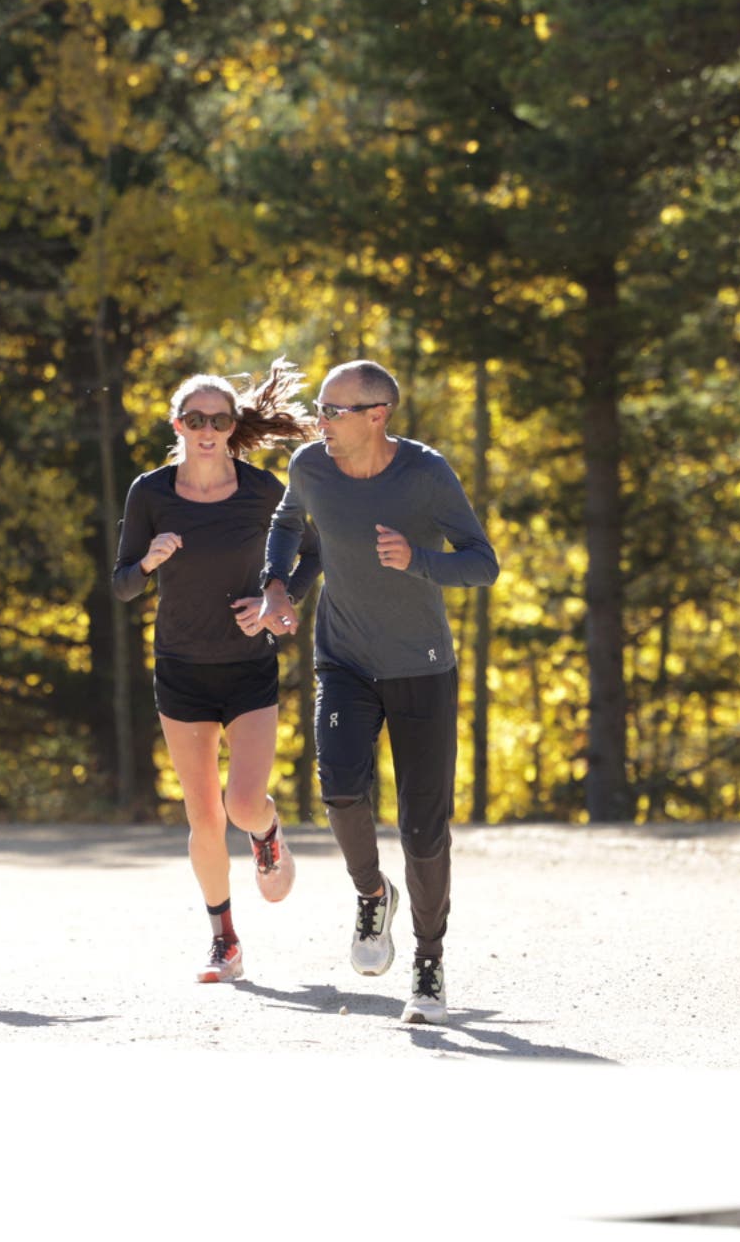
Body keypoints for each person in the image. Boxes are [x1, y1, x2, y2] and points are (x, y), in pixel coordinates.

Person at [258, 359, 498, 1025]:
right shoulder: (311, 466)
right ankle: (371, 892)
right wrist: (276, 584)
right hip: (344, 658)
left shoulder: (425, 474)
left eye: (334, 411)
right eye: (320, 409)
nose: (321, 422)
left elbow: (482, 563)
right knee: (339, 786)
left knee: (423, 830)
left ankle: (428, 959)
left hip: (421, 665)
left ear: (377, 415)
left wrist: (418, 560)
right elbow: (287, 523)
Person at [111, 359, 319, 984]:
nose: (207, 430)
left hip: (248, 667)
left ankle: (267, 831)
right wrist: (148, 561)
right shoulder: (150, 492)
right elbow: (122, 585)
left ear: (232, 426)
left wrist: (275, 600)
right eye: (195, 419)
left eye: (219, 420)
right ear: (177, 424)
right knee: (203, 817)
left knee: (243, 803)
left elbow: (314, 552)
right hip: (180, 668)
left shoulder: (263, 490)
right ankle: (224, 941)